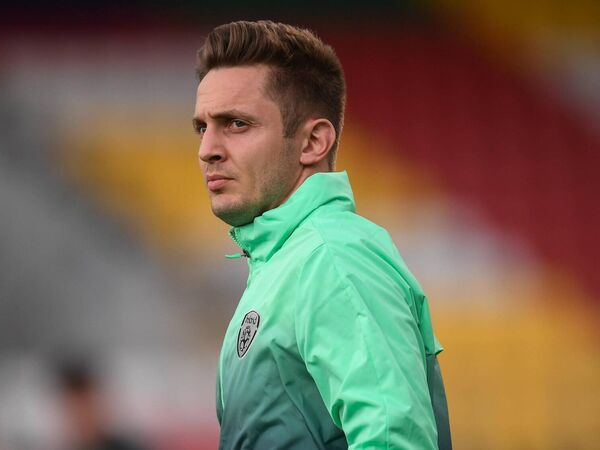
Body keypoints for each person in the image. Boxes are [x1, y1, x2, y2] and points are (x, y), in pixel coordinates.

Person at [192, 20, 451, 449]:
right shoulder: (289, 262)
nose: (207, 150)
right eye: (202, 127)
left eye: (236, 123)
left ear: (313, 142)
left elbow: (394, 439)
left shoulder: (333, 258)